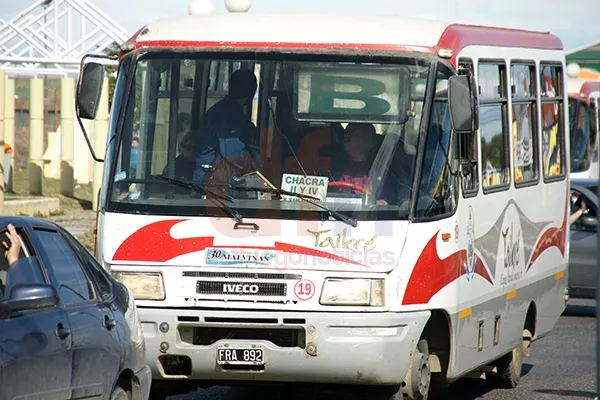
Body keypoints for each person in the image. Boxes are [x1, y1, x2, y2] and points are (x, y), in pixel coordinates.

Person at [193, 69, 260, 189]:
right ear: (250, 93)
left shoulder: (221, 109)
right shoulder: (229, 115)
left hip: (208, 180)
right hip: (213, 186)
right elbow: (234, 158)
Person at [329, 123, 394, 205]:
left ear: (367, 140)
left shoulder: (379, 172)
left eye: (354, 131)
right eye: (347, 131)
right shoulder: (334, 166)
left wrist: (372, 202)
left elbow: (385, 203)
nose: (347, 134)